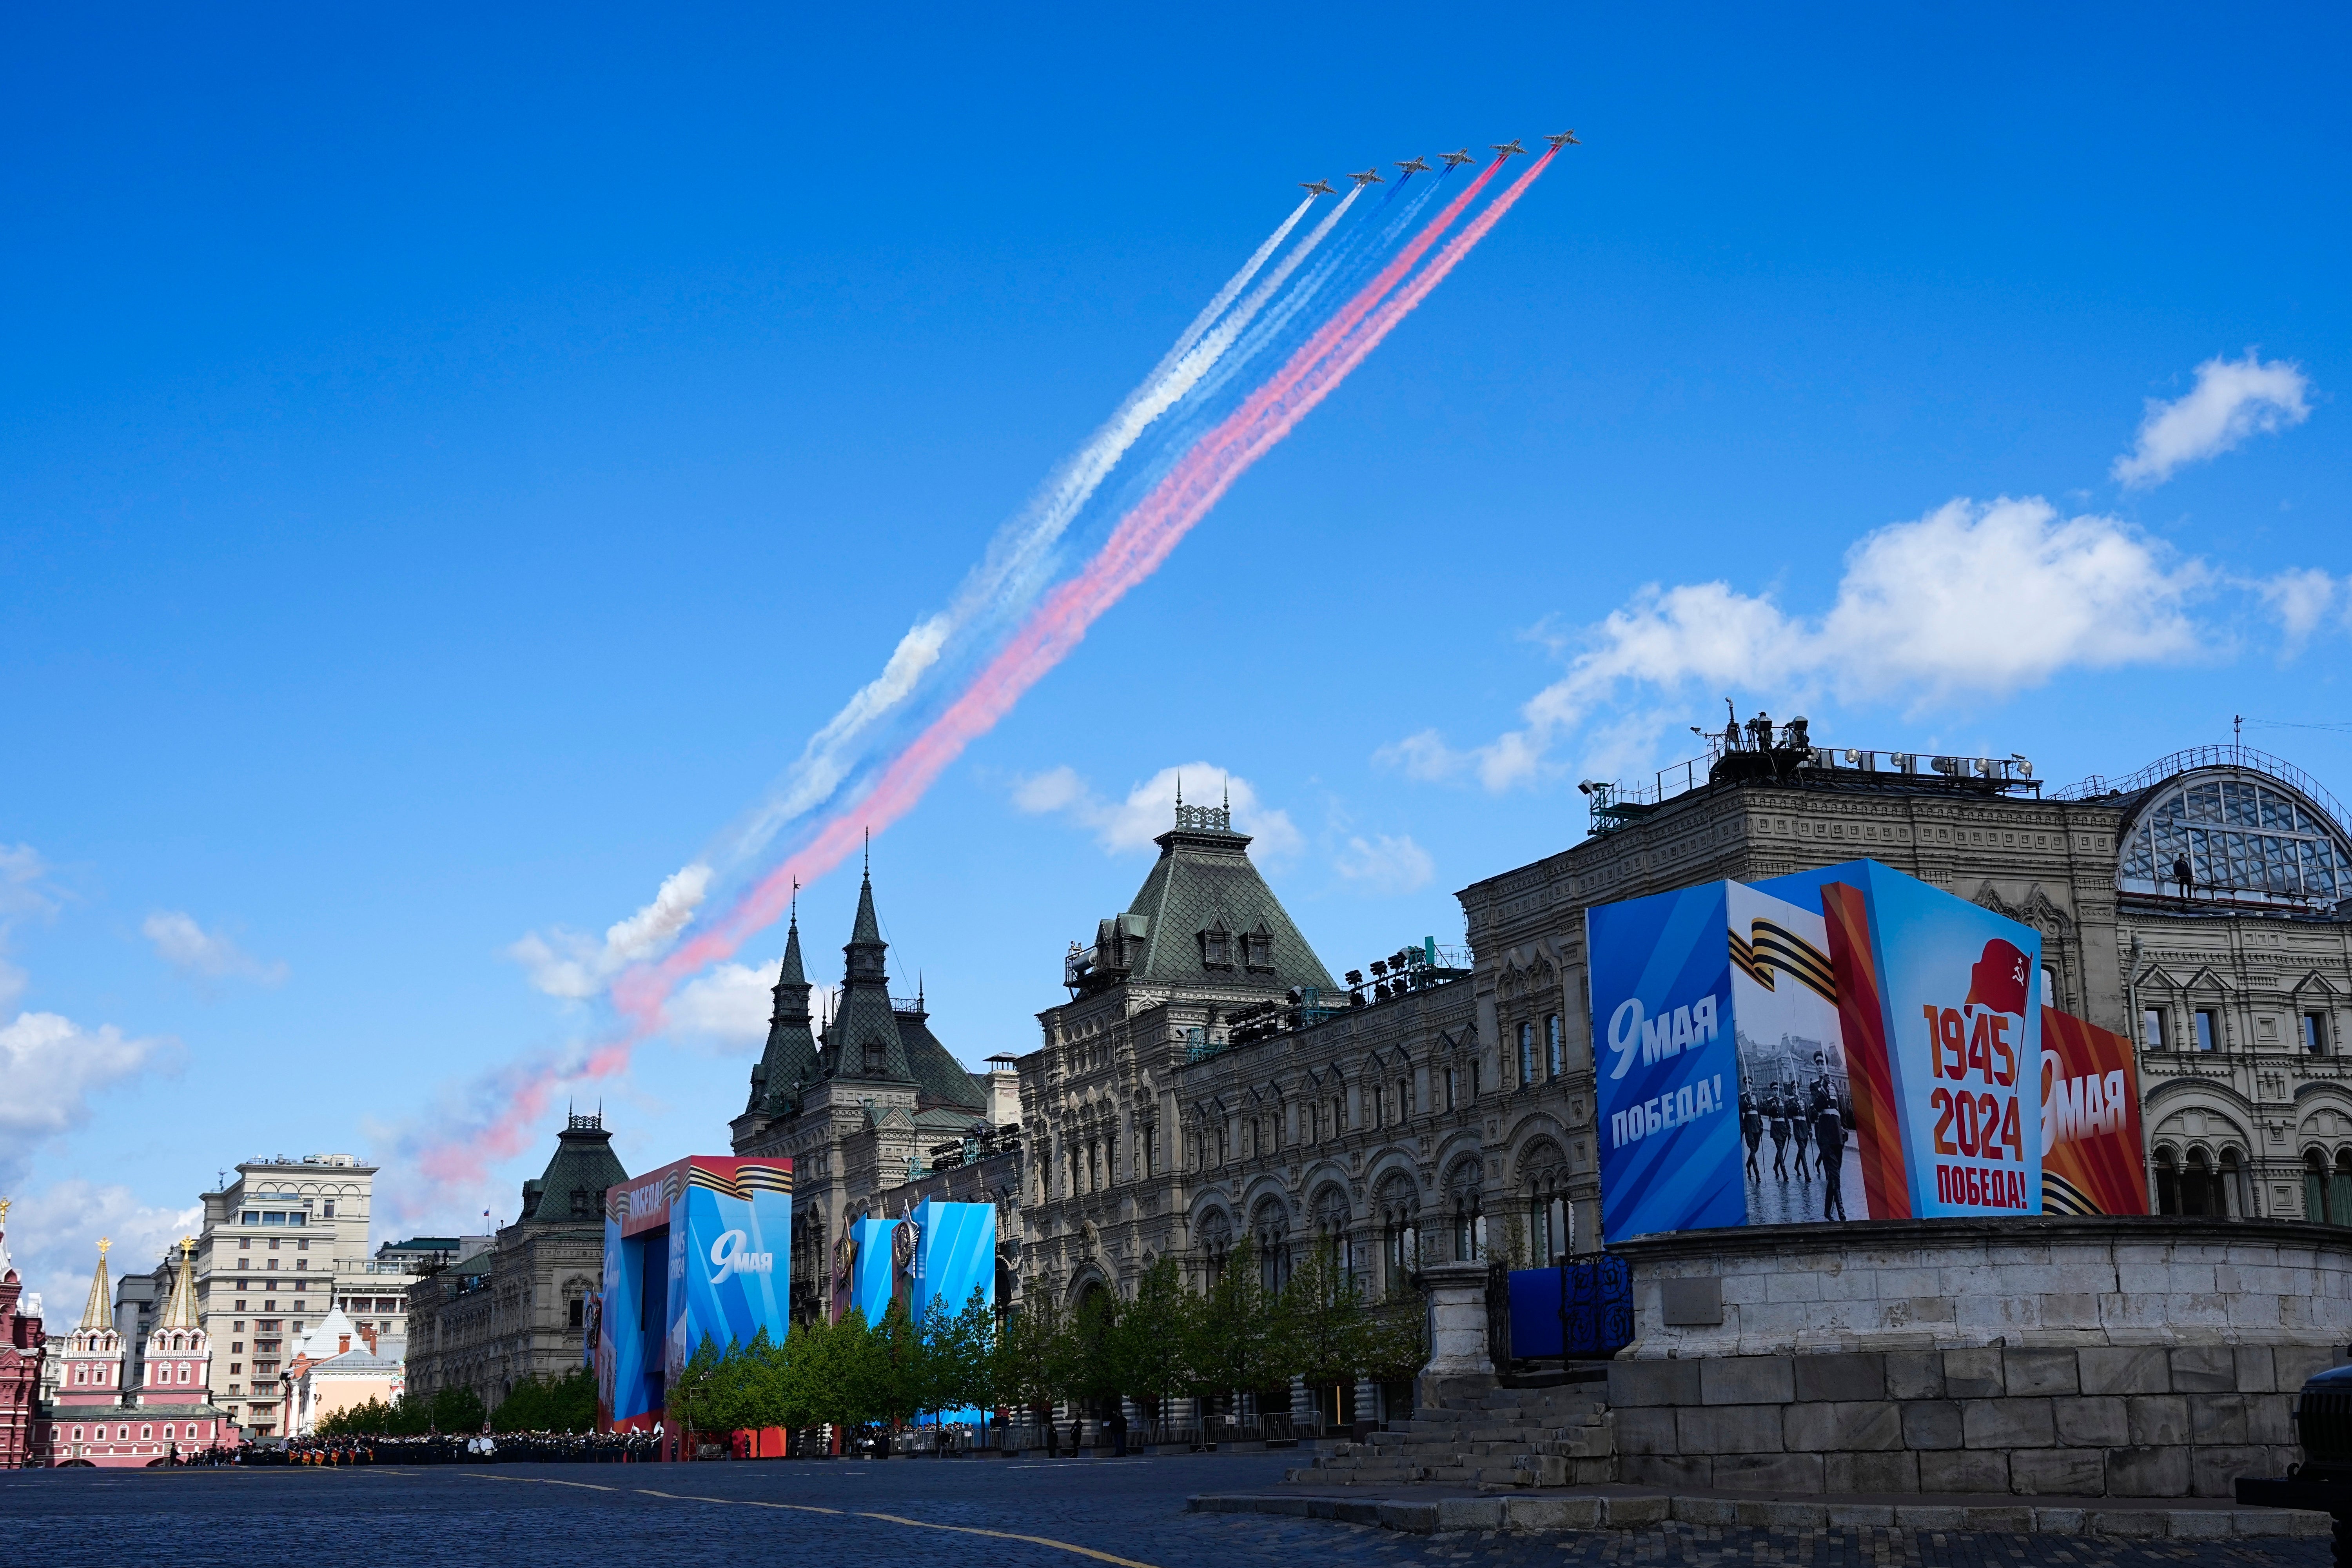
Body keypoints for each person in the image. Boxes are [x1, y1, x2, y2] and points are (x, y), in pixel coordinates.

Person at [1814, 1086, 1849, 1221]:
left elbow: (1842, 1110)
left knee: (1835, 1176)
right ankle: (1842, 1215)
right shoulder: (1817, 1087)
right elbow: (1817, 1107)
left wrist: (1845, 1128)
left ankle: (1827, 1211)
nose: (1821, 1067)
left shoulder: (1834, 1087)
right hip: (1826, 1138)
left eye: (1822, 1063)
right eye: (1818, 1064)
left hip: (1838, 1138)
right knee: (1835, 1176)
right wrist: (1823, 1088)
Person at [1766, 1088, 1791, 1180]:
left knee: (1781, 1151)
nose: (1776, 1092)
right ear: (1772, 1091)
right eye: (1774, 1090)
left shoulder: (1782, 1101)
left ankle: (1776, 1166)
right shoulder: (1770, 1101)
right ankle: (1784, 1173)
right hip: (1775, 1129)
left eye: (1777, 1090)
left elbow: (1786, 1116)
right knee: (1780, 1151)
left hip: (1783, 1129)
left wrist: (1789, 1129)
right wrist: (1775, 1105)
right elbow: (1768, 1112)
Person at [1739, 1088, 1762, 1181]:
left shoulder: (1755, 1097)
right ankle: (1757, 1173)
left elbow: (1758, 1111)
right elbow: (1742, 1109)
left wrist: (1761, 1124)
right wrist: (1747, 1098)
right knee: (1753, 1148)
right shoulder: (1743, 1097)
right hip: (1748, 1125)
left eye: (1750, 1084)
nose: (1749, 1086)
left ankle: (1748, 1164)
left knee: (1756, 1148)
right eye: (1747, 1084)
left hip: (1756, 1125)